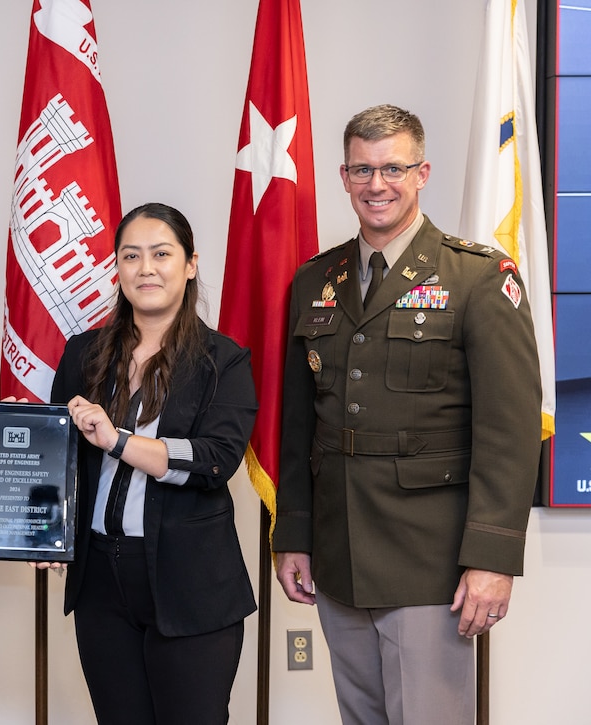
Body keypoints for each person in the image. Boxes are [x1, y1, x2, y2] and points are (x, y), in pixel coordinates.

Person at [273, 104, 542, 724]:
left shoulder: (476, 277)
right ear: (343, 177)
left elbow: (510, 432)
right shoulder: (317, 280)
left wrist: (493, 558)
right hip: (339, 552)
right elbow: (299, 426)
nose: (377, 185)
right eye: (362, 170)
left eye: (393, 168)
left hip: (432, 561)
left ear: (423, 173)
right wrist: (294, 534)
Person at [51, 202, 258, 724]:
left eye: (162, 254)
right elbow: (59, 459)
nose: (146, 268)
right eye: (131, 255)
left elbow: (215, 460)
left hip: (190, 582)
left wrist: (118, 440)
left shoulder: (223, 360)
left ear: (190, 265)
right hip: (99, 578)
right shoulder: (82, 354)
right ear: (116, 268)